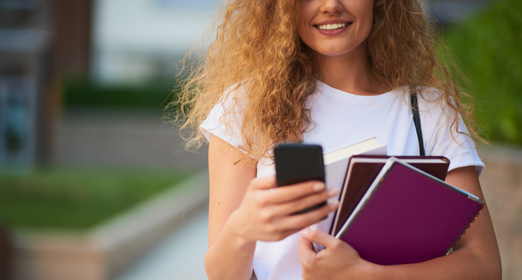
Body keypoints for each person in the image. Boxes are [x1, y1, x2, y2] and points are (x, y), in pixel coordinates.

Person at [168, 0, 502, 279]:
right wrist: (243, 229)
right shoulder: (245, 107)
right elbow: (220, 273)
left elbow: (484, 264)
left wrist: (364, 274)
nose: (331, 6)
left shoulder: (428, 113)